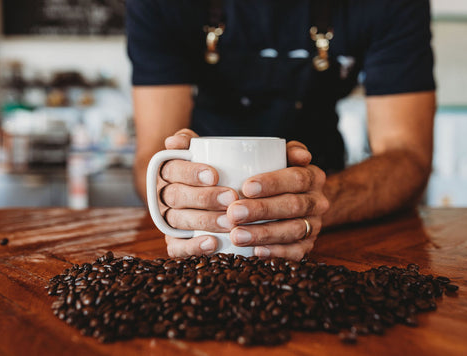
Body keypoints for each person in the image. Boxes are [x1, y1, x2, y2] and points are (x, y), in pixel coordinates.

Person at [126, 0, 436, 260]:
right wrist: (174, 193)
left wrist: (314, 203)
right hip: (206, 232)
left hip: (331, 219)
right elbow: (153, 153)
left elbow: (408, 155)